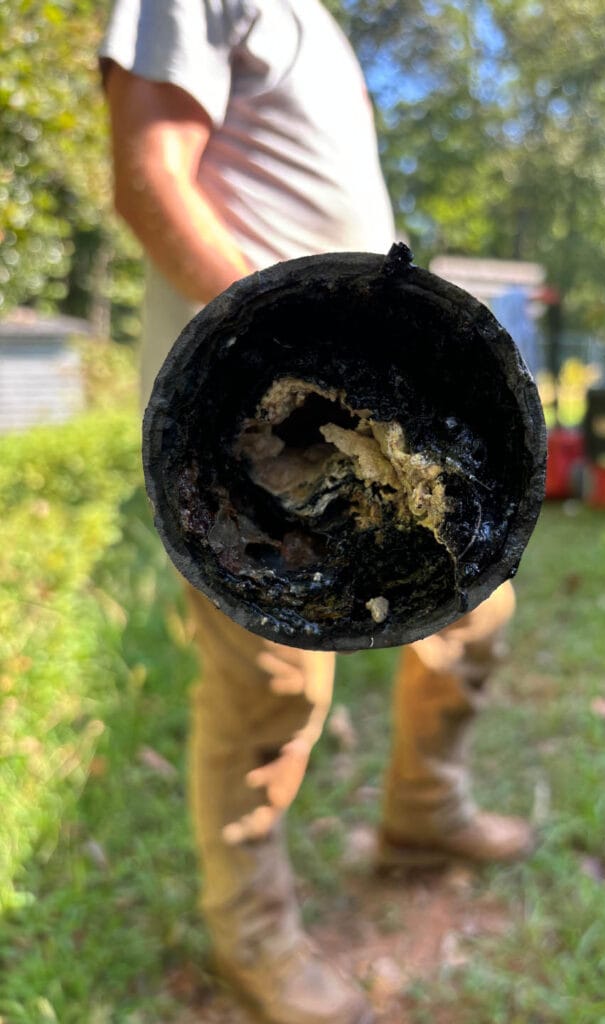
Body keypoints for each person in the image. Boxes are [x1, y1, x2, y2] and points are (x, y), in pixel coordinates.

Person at [100, 3, 533, 1022]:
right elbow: (149, 171)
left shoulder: (326, 28)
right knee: (272, 689)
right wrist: (291, 344)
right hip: (240, 424)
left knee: (473, 611)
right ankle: (250, 934)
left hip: (378, 399)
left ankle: (425, 814)